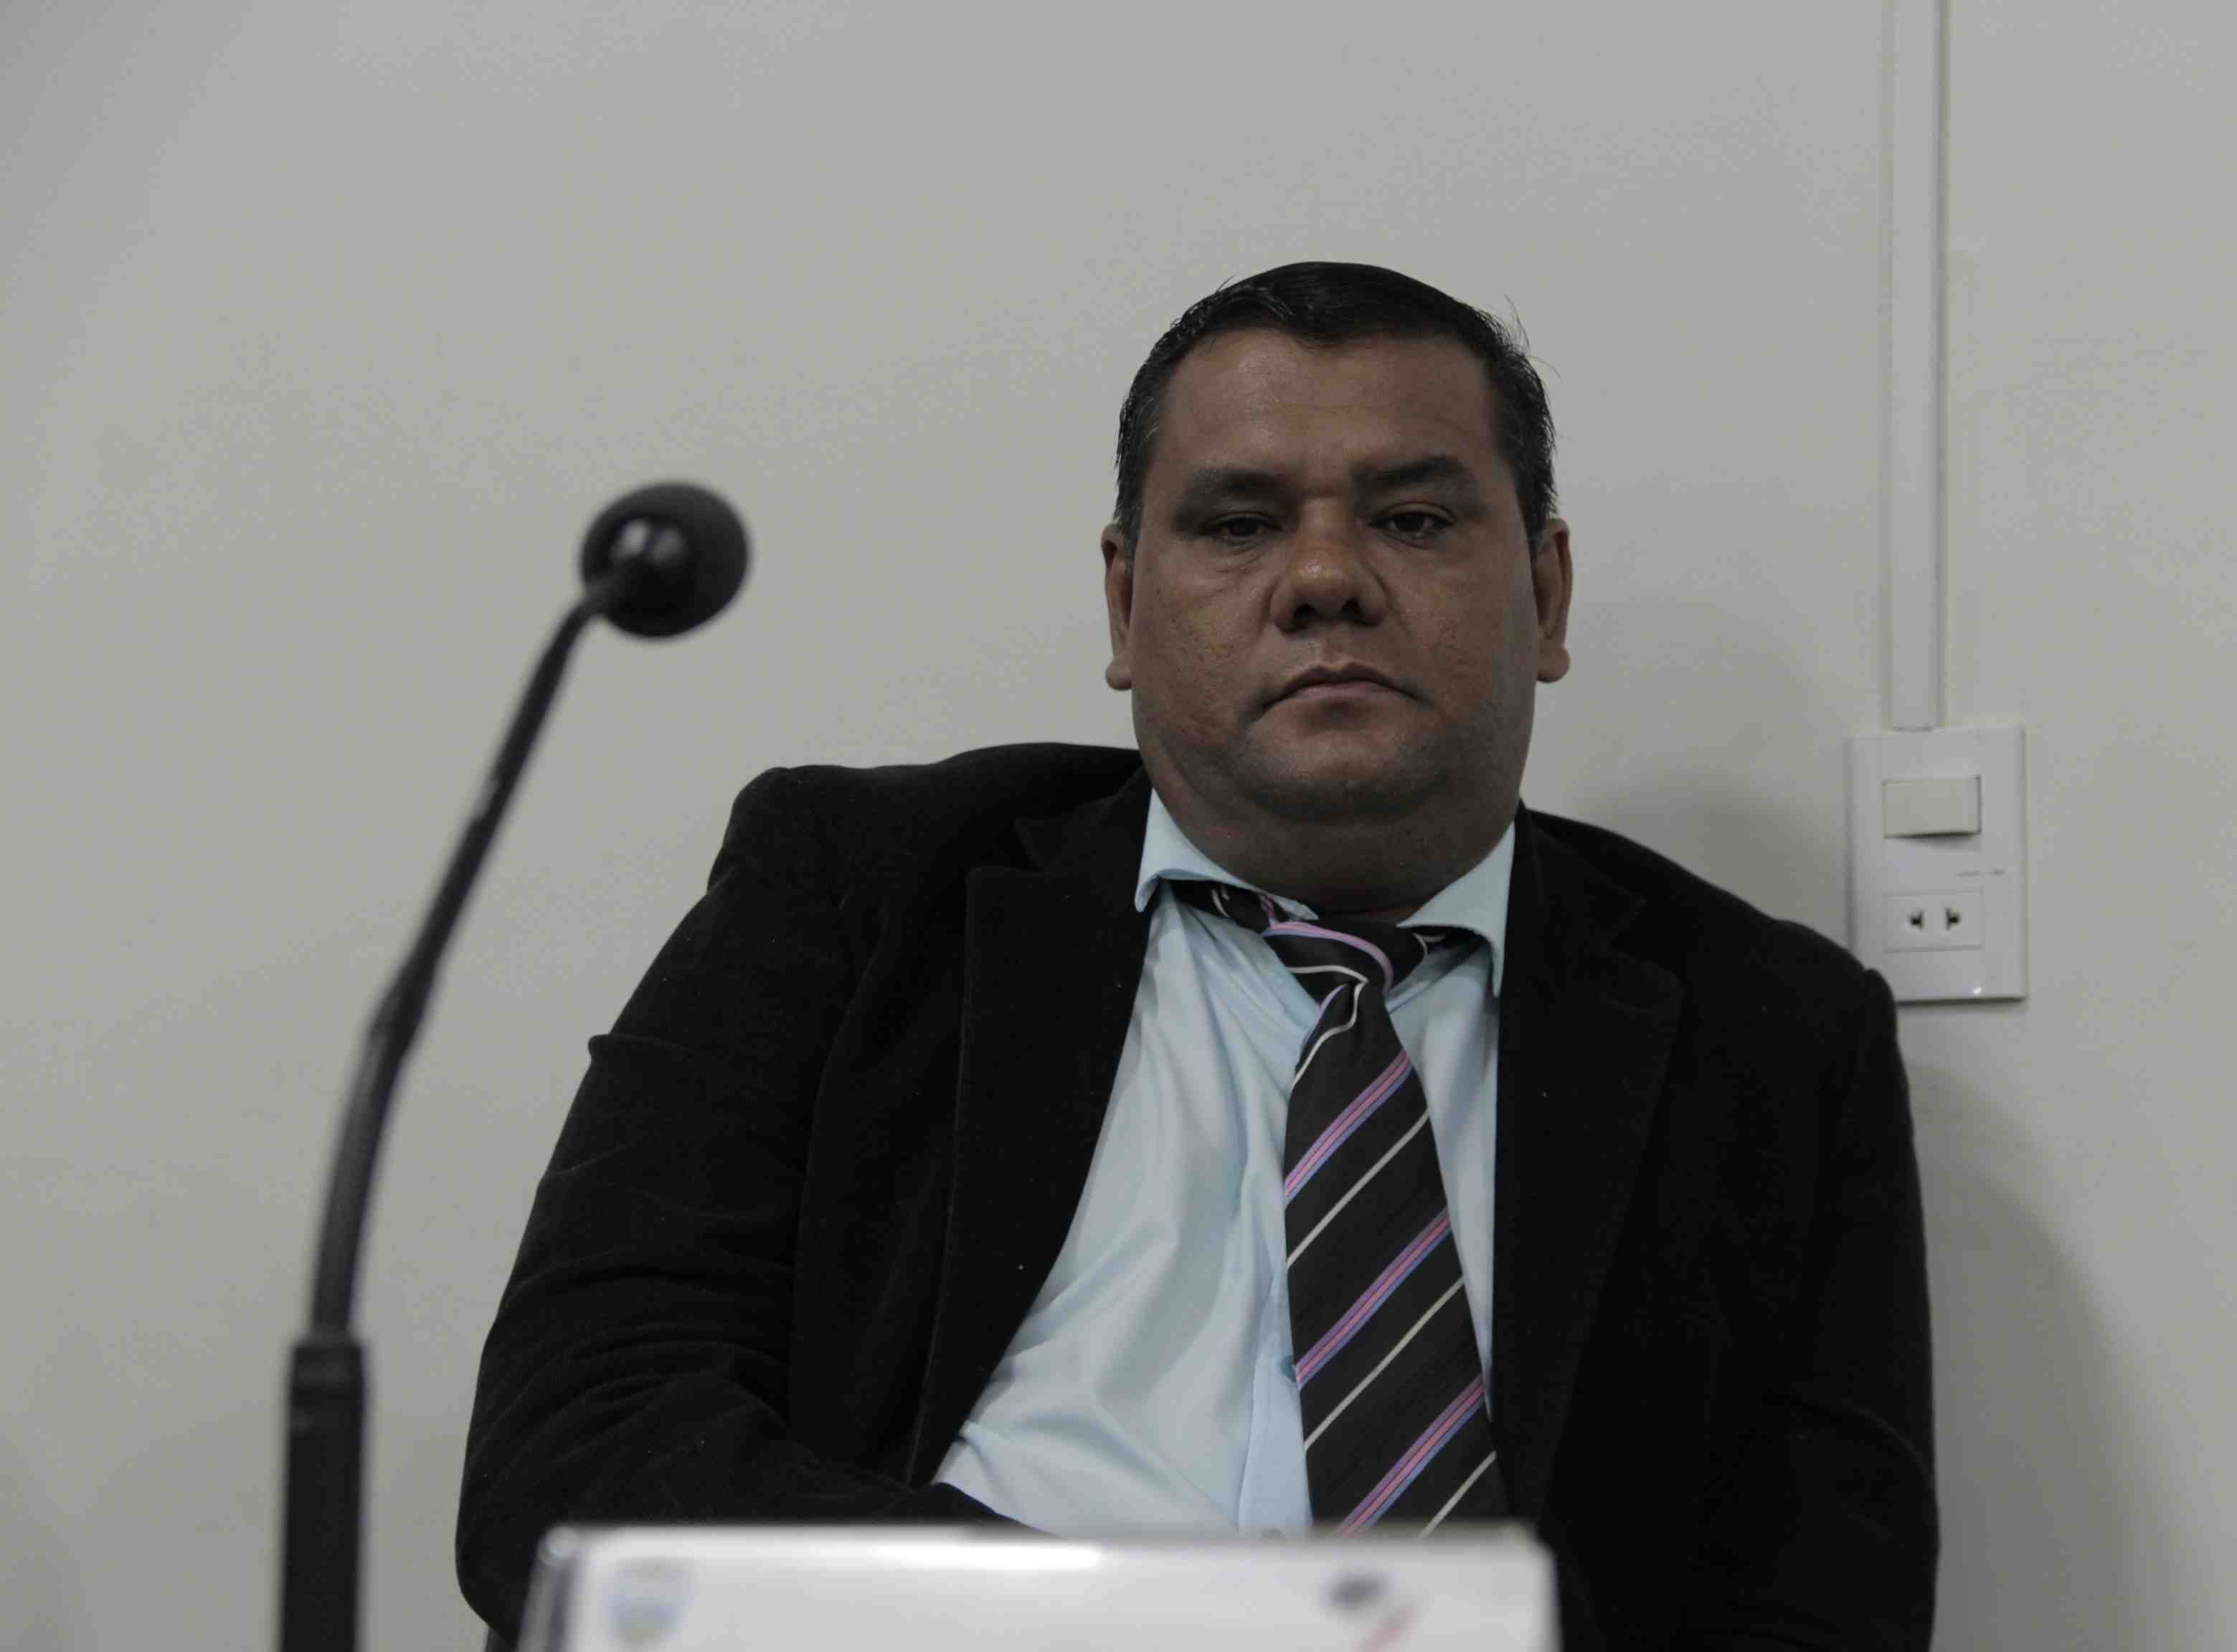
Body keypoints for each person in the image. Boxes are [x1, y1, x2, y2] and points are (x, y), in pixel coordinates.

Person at [456, 262, 1937, 1649]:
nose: (1325, 579)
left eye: (1415, 521)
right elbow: (579, 1444)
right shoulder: (860, 896)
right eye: (1237, 524)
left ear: (1547, 597)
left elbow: (1831, 1603)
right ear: (1123, 603)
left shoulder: (1773, 1035)